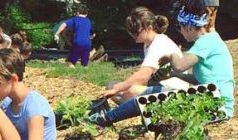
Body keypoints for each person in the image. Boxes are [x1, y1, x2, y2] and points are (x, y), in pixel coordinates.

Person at [90, 0, 234, 126]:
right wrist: (173, 75)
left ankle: (105, 119)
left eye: (181, 27)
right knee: (149, 95)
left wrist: (171, 56)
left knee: (147, 99)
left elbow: (179, 65)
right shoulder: (209, 40)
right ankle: (106, 118)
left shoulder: (206, 41)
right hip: (210, 97)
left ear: (189, 26)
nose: (181, 33)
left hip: (217, 106)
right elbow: (198, 80)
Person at [99, 8, 189, 108]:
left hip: (174, 90)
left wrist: (117, 88)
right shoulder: (148, 43)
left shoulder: (159, 44)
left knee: (128, 90)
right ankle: (134, 105)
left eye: (136, 31)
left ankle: (134, 106)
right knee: (112, 85)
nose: (133, 34)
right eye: (130, 31)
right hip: (160, 86)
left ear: (149, 27)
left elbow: (143, 76)